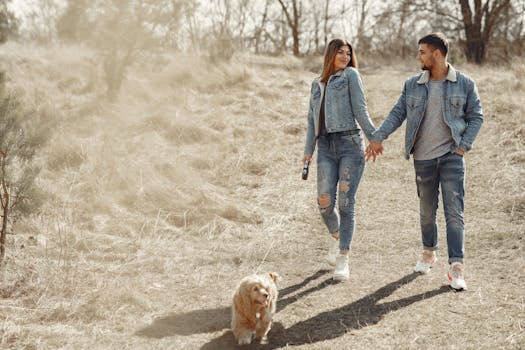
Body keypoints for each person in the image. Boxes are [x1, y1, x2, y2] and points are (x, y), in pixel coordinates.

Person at [366, 33, 483, 290]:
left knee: (454, 213)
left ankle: (456, 268)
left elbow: (477, 117)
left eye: (422, 52)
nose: (418, 57)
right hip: (423, 158)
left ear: (437, 54)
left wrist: (463, 147)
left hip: (452, 156)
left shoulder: (464, 83)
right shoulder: (413, 85)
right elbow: (398, 113)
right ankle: (429, 253)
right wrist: (378, 137)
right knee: (427, 212)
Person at [303, 38, 377, 281]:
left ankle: (343, 259)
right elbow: (311, 121)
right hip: (325, 146)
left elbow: (360, 109)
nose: (345, 57)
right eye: (340, 53)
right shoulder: (317, 84)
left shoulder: (351, 76)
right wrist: (308, 150)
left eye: (348, 53)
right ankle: (337, 237)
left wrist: (374, 138)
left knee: (346, 204)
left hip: (350, 144)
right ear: (330, 55)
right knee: (324, 204)